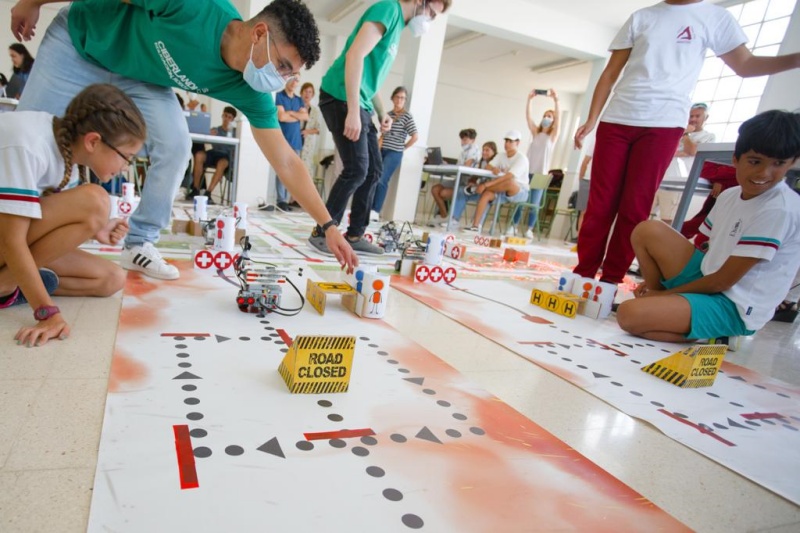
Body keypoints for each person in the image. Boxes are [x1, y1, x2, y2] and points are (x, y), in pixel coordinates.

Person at [11, 0, 358, 279]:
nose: (281, 80)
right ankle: (13, 238)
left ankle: (139, 242)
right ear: (259, 33)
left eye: (290, 74)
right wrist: (32, 2)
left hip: (142, 75)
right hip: (81, 43)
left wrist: (328, 226)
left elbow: (286, 160)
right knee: (32, 138)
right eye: (282, 66)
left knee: (177, 145)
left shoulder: (251, 91)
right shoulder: (195, 7)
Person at [572, 0, 800, 287]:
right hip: (616, 119)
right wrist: (592, 119)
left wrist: (795, 59)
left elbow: (745, 65)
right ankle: (582, 275)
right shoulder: (642, 17)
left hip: (664, 124)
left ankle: (610, 281)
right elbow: (610, 73)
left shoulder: (714, 16)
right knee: (600, 204)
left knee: (635, 207)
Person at [617, 110, 800, 343]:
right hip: (709, 278)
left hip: (735, 305)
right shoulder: (730, 195)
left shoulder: (778, 209)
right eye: (755, 161)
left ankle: (716, 333)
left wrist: (664, 295)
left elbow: (723, 281)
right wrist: (658, 288)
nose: (764, 173)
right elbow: (703, 247)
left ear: (791, 163)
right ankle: (660, 303)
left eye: (778, 164)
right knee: (648, 230)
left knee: (629, 314)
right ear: (736, 159)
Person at [0, 83, 146, 347]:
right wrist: (47, 313)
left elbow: (44, 225)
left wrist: (96, 227)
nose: (125, 167)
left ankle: (10, 284)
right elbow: (12, 241)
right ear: (93, 141)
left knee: (111, 279)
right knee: (95, 200)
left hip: (9, 243)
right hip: (8, 242)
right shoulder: (27, 143)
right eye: (127, 157)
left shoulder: (67, 157)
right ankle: (7, 285)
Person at [307, 0, 450, 257]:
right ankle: (322, 231)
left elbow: (368, 80)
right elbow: (355, 56)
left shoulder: (397, 27)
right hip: (339, 95)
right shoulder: (388, 10)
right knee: (356, 169)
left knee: (374, 170)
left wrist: (383, 113)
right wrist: (353, 110)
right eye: (431, 12)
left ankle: (355, 235)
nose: (430, 19)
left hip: (359, 101)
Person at [508, 88, 560, 238]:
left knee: (534, 204)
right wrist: (529, 100)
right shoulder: (536, 133)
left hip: (540, 174)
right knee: (521, 201)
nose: (546, 118)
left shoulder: (552, 136)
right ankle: (514, 225)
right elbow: (528, 117)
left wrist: (556, 100)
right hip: (527, 172)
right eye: (545, 116)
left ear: (553, 120)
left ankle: (529, 229)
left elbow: (559, 121)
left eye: (549, 116)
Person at [653, 102, 717, 224]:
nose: (693, 119)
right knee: (644, 214)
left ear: (705, 117)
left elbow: (692, 151)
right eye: (691, 116)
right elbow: (662, 151)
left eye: (697, 116)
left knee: (668, 220)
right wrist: (681, 151)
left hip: (679, 183)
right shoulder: (675, 133)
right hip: (660, 178)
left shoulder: (708, 136)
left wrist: (685, 134)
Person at [465, 130, 529, 233]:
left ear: (517, 143)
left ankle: (478, 188)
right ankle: (475, 226)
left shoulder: (522, 158)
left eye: (510, 141)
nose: (507, 144)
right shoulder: (501, 155)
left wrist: (486, 185)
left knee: (510, 182)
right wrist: (493, 168)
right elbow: (488, 166)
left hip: (520, 192)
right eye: (506, 141)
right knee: (486, 194)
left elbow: (508, 177)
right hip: (501, 189)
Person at [371, 85, 418, 218]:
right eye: (397, 97)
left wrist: (403, 147)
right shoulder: (388, 114)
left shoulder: (407, 116)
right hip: (382, 149)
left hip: (394, 152)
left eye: (402, 98)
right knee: (374, 178)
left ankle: (375, 211)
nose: (399, 100)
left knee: (382, 179)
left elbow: (415, 136)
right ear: (392, 98)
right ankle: (368, 208)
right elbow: (383, 132)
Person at [187, 106, 237, 204]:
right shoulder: (215, 130)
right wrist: (207, 134)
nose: (226, 119)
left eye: (229, 117)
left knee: (222, 163)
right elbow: (203, 137)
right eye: (225, 116)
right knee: (199, 155)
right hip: (213, 153)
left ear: (233, 120)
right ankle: (195, 189)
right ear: (222, 116)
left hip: (225, 156)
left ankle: (208, 192)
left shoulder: (235, 132)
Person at [429, 127, 479, 225]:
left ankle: (451, 218)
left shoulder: (474, 150)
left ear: (472, 140)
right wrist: (447, 165)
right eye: (462, 139)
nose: (462, 142)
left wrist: (451, 166)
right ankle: (443, 216)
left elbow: (466, 167)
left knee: (443, 193)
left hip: (466, 182)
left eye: (465, 139)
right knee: (435, 189)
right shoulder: (463, 152)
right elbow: (458, 167)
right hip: (458, 180)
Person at [275, 76, 307, 211]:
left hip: (296, 141)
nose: (295, 82)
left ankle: (288, 199)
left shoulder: (299, 100)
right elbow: (281, 116)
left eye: (297, 80)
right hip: (283, 139)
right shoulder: (279, 96)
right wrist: (297, 115)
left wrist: (290, 113)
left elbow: (305, 116)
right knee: (283, 170)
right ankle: (281, 200)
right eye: (293, 79)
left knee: (293, 172)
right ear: (287, 79)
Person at [448, 141, 497, 228]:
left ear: (494, 152)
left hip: (491, 191)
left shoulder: (496, 162)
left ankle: (477, 224)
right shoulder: (482, 162)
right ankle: (454, 219)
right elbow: (477, 175)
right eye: (483, 150)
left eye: (487, 150)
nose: (484, 152)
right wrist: (472, 182)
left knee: (486, 196)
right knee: (461, 190)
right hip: (480, 189)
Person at [298, 81, 321, 195]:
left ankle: (302, 197)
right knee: (294, 169)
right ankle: (291, 198)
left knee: (306, 170)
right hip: (295, 140)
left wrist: (308, 131)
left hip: (308, 144)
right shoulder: (296, 106)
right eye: (305, 91)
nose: (307, 94)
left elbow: (318, 129)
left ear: (312, 95)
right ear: (301, 92)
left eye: (310, 92)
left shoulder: (315, 111)